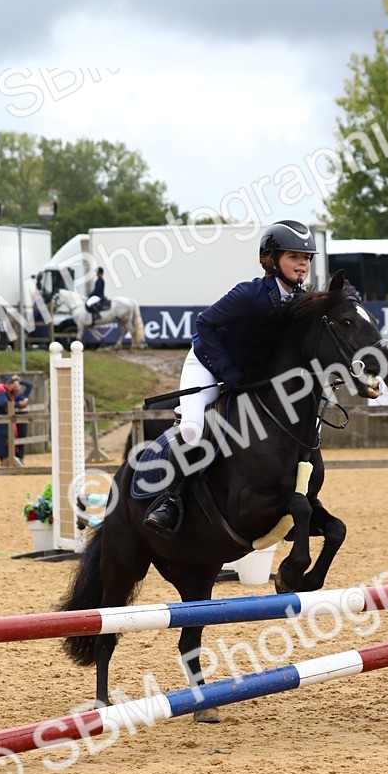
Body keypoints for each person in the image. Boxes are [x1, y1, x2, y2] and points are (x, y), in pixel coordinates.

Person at [144, 219, 316, 536]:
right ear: (271, 259)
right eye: (293, 256)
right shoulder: (249, 294)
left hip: (251, 377)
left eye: (305, 258)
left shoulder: (300, 301)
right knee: (194, 429)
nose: (302, 263)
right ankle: (170, 501)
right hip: (208, 364)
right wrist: (228, 372)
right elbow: (205, 324)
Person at [0, 374, 32, 466]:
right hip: (1, 425)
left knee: (12, 441)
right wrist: (18, 404)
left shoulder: (11, 395)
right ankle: (6, 461)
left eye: (13, 384)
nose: (12, 386)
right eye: (10, 384)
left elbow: (28, 388)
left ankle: (12, 460)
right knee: (3, 443)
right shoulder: (2, 395)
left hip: (8, 424)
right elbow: (5, 403)